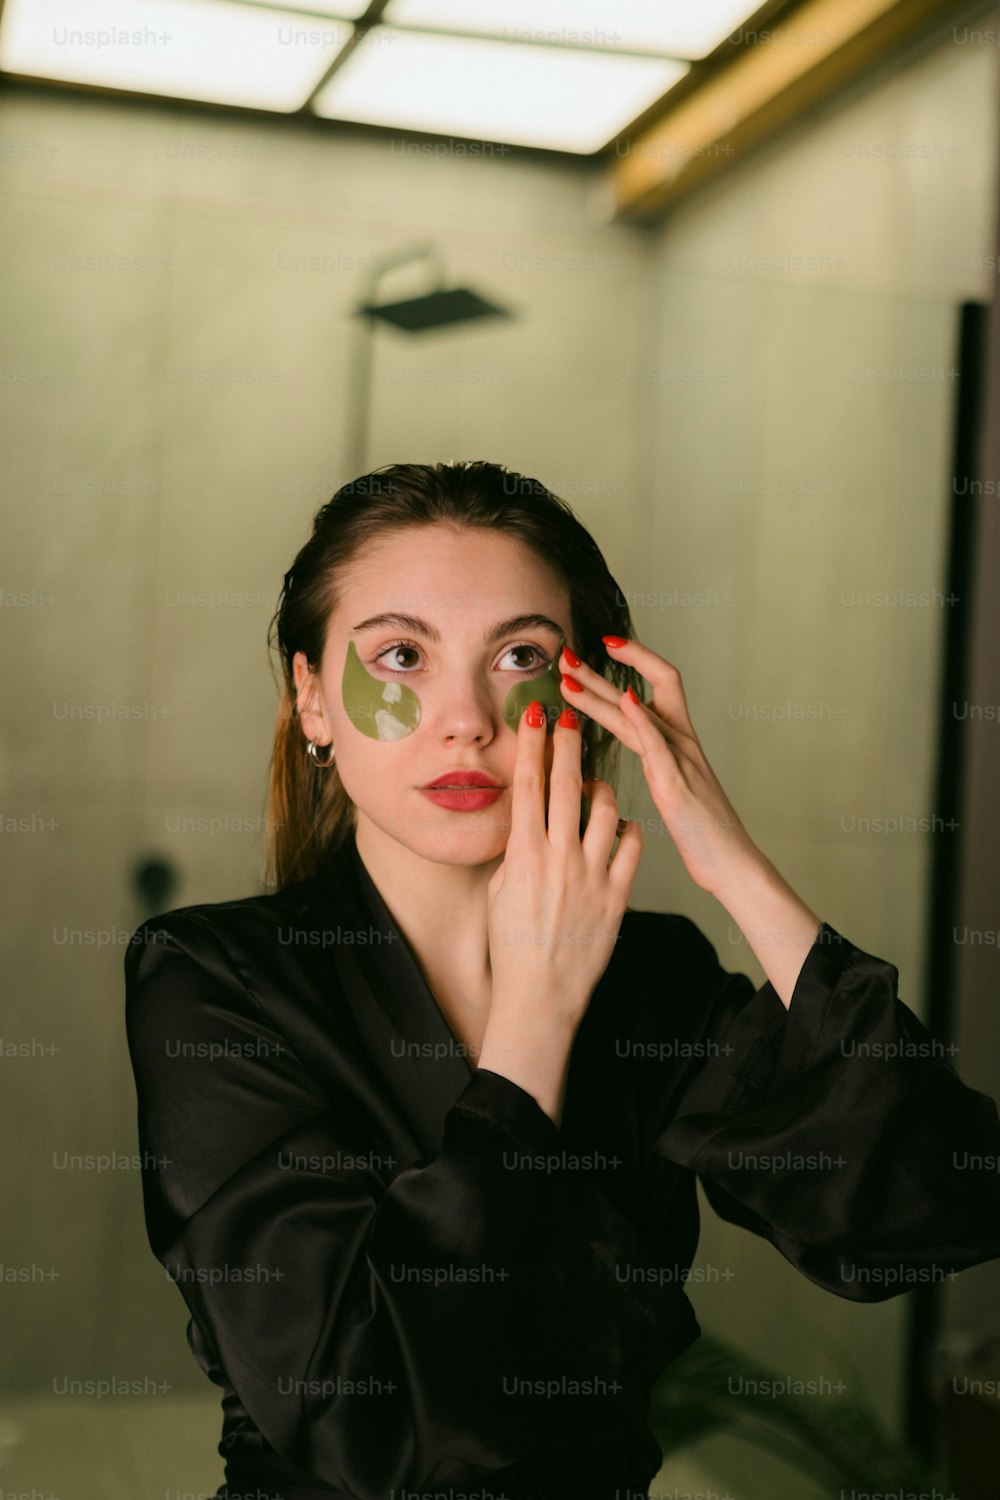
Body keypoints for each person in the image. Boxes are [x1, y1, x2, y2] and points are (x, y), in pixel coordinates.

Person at [124, 460, 1000, 1500]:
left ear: (585, 695)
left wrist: (732, 865)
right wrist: (534, 1013)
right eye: (400, 655)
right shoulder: (213, 979)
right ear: (311, 699)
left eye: (519, 657)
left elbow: (930, 1203)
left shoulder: (650, 981)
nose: (465, 719)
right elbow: (371, 1423)